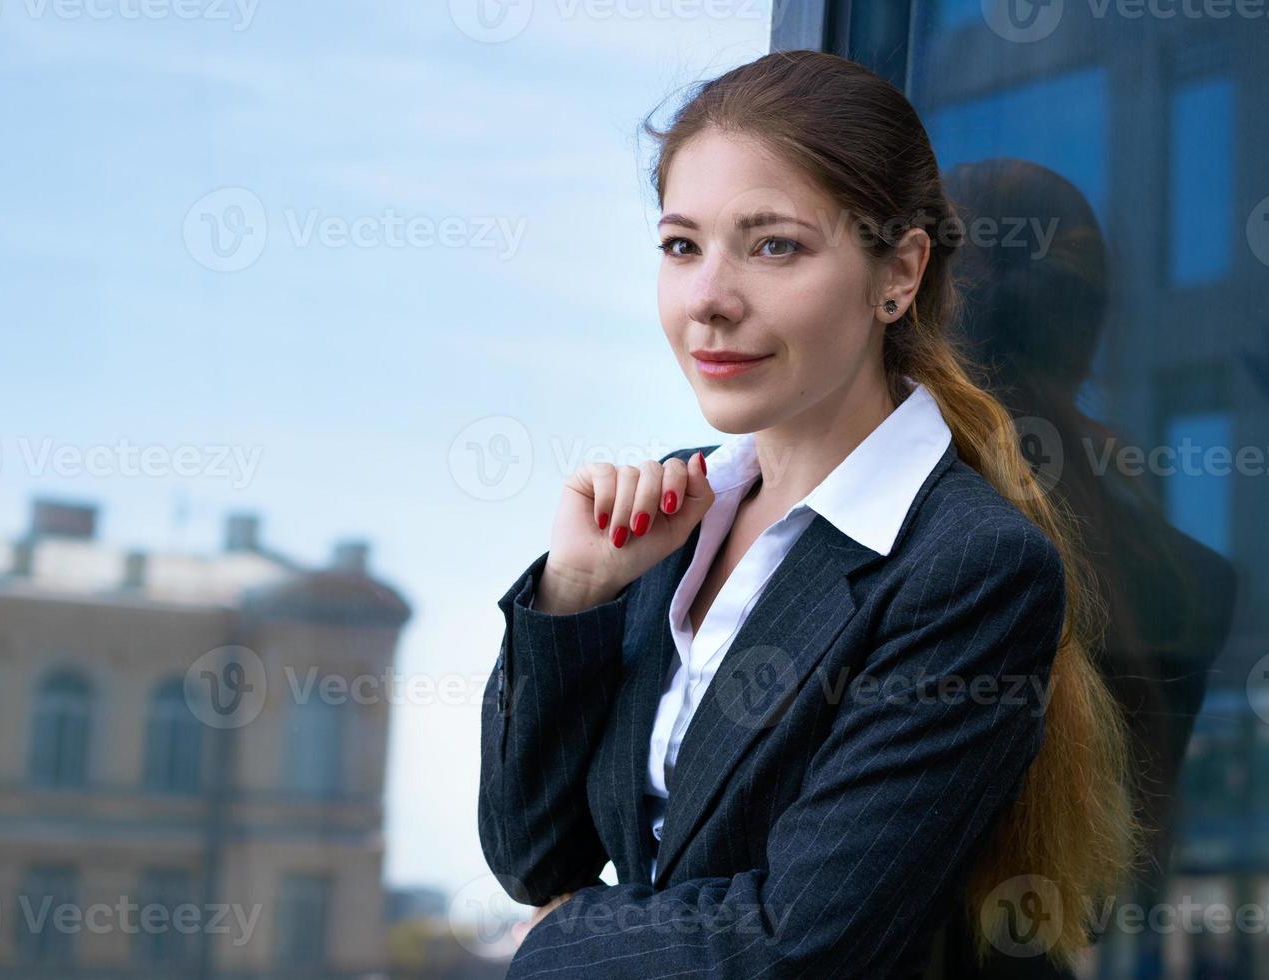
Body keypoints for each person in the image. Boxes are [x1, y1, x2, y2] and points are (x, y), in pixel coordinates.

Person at [477, 50, 1139, 979]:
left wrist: (557, 942)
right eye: (681, 245)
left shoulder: (967, 564)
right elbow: (533, 857)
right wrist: (574, 594)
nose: (708, 299)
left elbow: (806, 944)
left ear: (898, 273)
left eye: (774, 244)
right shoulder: (673, 511)